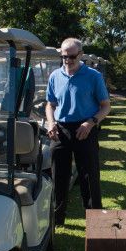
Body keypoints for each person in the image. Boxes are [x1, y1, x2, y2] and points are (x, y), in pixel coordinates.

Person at [45, 38, 110, 227]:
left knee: (89, 176)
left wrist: (91, 123)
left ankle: (95, 221)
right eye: (64, 56)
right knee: (59, 176)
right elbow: (50, 104)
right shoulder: (55, 76)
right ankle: (57, 220)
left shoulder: (93, 76)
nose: (67, 60)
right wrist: (50, 123)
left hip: (85, 129)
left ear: (80, 55)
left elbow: (105, 107)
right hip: (61, 130)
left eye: (72, 56)